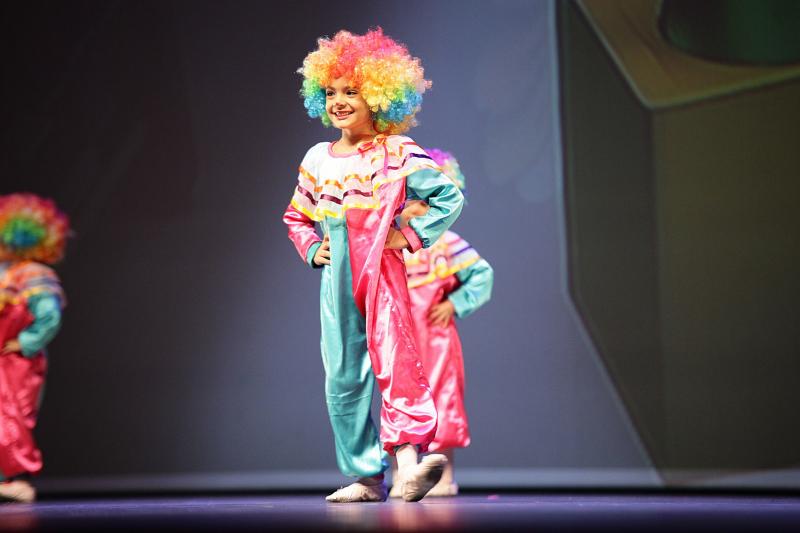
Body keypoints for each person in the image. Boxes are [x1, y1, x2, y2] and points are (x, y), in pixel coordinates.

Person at [283, 28, 464, 502]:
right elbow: (297, 216)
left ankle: (408, 466)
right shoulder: (317, 158)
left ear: (380, 96)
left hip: (381, 273)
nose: (339, 102)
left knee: (395, 363)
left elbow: (448, 198)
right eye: (331, 92)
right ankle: (365, 477)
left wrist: (410, 235)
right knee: (343, 375)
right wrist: (311, 247)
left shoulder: (396, 152)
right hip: (337, 279)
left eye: (352, 91)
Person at [390, 149, 494, 498]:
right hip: (398, 339)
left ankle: (444, 474)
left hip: (435, 340)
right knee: (398, 402)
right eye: (412, 202)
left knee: (441, 400)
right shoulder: (392, 242)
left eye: (427, 204)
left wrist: (454, 303)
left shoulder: (446, 244)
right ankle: (403, 475)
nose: (417, 210)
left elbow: (481, 274)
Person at [0, 193, 68, 503]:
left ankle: (10, 477)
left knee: (12, 416)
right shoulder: (4, 272)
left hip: (17, 363)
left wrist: (25, 342)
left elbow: (49, 316)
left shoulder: (34, 276)